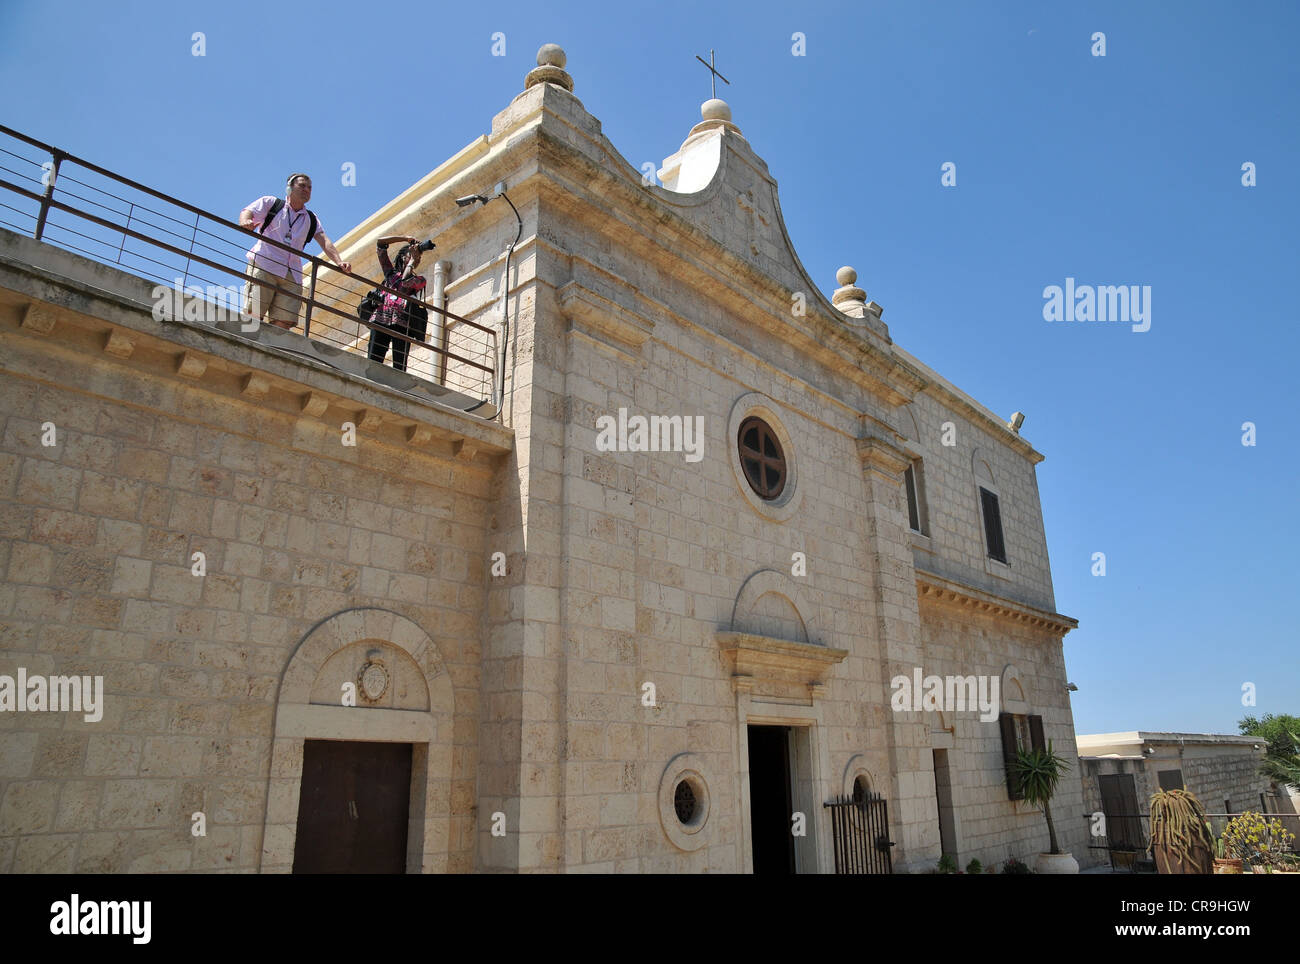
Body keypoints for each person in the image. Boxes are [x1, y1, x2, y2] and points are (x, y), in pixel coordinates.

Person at [239, 173, 351, 330]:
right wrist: (246, 221)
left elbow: (324, 240)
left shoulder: (311, 218)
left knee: (284, 322)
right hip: (265, 263)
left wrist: (339, 262)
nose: (307, 190)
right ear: (289, 188)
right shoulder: (271, 203)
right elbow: (248, 211)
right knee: (254, 315)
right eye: (302, 186)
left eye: (310, 187)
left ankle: (271, 352)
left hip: (292, 274)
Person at [367, 235, 428, 372]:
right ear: (402, 257)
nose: (417, 258)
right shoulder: (391, 274)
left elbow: (406, 281)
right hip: (381, 318)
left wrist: (412, 260)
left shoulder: (420, 280)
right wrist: (405, 238)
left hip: (403, 323)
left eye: (419, 257)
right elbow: (380, 243)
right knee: (373, 361)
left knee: (399, 367)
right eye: (412, 255)